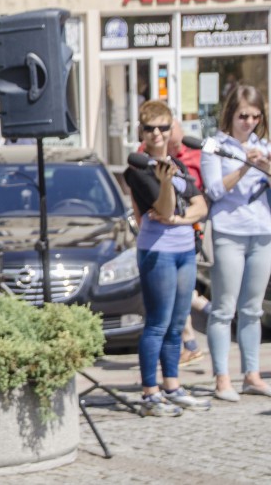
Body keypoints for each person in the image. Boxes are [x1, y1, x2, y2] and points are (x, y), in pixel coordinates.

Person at [123, 100, 210, 416]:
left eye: (163, 127)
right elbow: (162, 210)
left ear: (171, 128)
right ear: (141, 132)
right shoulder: (137, 169)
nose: (157, 134)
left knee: (177, 322)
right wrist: (165, 185)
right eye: (150, 129)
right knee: (157, 322)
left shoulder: (179, 164)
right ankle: (150, 393)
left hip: (184, 248)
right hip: (156, 251)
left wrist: (184, 220)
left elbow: (200, 205)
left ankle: (172, 386)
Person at [199, 85, 271, 402]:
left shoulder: (263, 144)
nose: (249, 122)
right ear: (231, 113)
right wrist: (245, 166)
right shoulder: (215, 145)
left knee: (252, 309)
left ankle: (251, 374)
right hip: (229, 231)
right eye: (244, 115)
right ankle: (222, 378)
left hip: (262, 229)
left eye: (256, 116)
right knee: (224, 308)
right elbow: (213, 190)